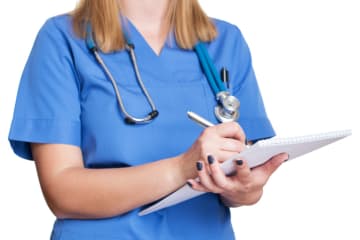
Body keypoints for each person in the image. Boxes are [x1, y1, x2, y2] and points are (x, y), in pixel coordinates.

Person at [8, 0, 288, 239]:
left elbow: (243, 185)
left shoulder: (225, 42)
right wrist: (180, 169)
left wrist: (244, 189)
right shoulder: (62, 40)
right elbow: (62, 193)